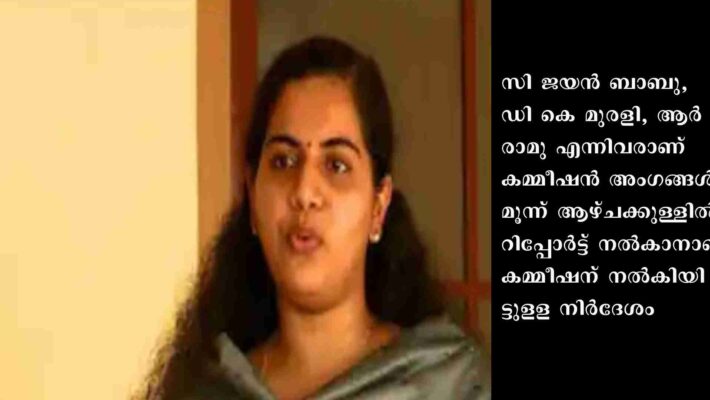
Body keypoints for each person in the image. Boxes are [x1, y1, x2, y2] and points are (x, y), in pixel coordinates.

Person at [137, 36, 490, 400]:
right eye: (283, 161)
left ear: (378, 206)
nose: (305, 192)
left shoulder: (452, 385)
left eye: (336, 165)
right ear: (252, 196)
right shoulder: (208, 391)